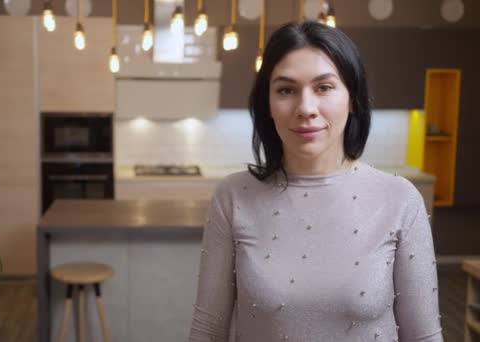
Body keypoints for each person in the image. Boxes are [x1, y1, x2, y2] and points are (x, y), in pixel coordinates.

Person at [189, 21, 443, 341]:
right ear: (267, 104)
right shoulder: (232, 197)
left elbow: (424, 337)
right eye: (286, 90)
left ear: (352, 97)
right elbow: (207, 332)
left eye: (324, 87)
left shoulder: (401, 200)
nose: (306, 108)